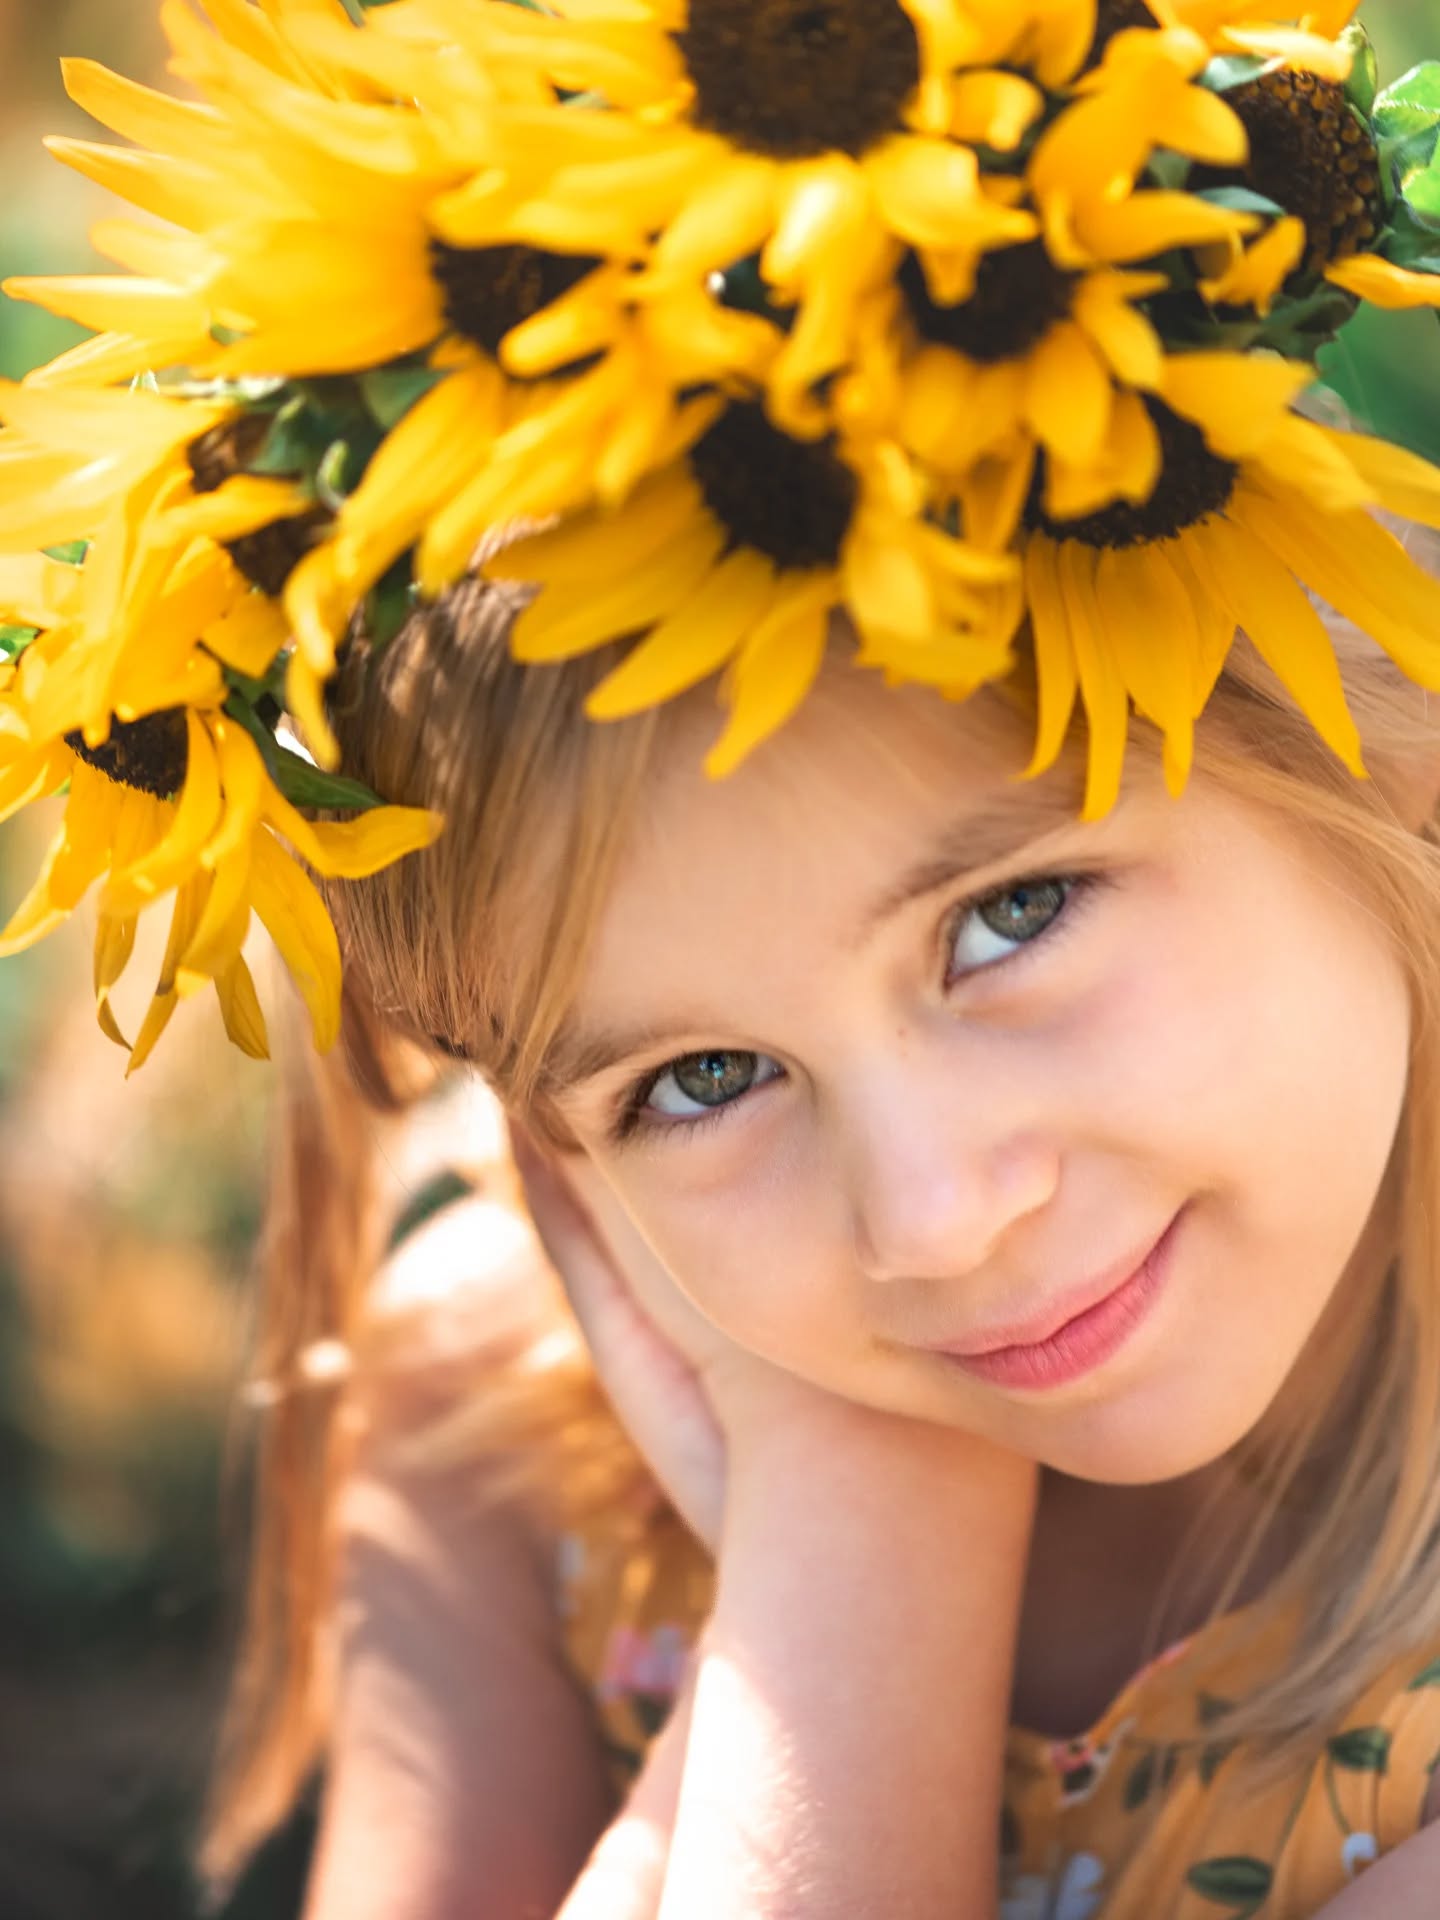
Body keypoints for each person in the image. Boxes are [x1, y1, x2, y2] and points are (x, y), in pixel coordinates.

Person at [8, 2, 1440, 1916]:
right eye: (695, 1081)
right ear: (541, 1133)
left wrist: (843, 1527)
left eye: (1007, 918)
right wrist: (866, 1493)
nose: (934, 1218)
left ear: (1387, 725)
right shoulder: (509, 1421)